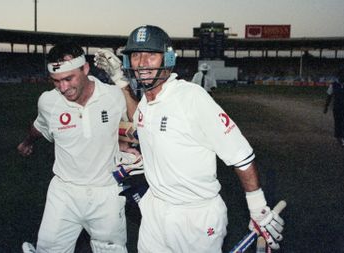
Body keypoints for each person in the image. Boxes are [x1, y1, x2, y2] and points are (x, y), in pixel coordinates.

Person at [99, 25, 285, 252]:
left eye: (151, 55)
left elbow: (240, 155)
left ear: (167, 58)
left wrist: (257, 207)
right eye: (136, 55)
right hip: (154, 211)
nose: (142, 62)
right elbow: (138, 119)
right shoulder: (147, 102)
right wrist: (121, 83)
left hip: (196, 217)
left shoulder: (192, 98)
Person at [17, 42, 139, 253]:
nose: (63, 88)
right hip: (64, 192)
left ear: (85, 69)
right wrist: (27, 142)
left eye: (68, 78)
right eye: (56, 81)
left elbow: (138, 123)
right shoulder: (48, 102)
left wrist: (122, 82)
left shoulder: (112, 95)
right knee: (49, 250)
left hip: (107, 192)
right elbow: (39, 127)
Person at [323, 68, 344, 147]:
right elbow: (329, 96)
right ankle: (338, 136)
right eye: (342, 75)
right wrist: (326, 107)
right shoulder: (333, 84)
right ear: (339, 76)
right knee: (338, 122)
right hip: (337, 107)